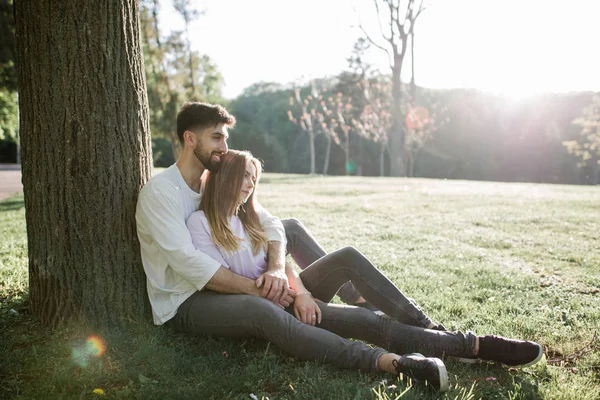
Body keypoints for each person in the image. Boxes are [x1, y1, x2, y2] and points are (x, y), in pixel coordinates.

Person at [136, 102, 543, 393]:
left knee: (322, 255)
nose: (224, 148)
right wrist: (275, 293)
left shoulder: (214, 181)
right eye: (217, 138)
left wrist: (285, 278)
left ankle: (450, 339)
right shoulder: (165, 194)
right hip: (190, 299)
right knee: (268, 309)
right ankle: (389, 360)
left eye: (226, 140)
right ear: (191, 140)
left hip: (257, 284)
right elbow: (191, 265)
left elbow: (273, 223)